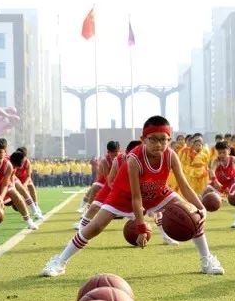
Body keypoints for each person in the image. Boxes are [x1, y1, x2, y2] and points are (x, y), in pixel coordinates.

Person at [41, 115, 224, 277]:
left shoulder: (171, 155)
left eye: (163, 140)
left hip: (157, 192)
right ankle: (59, 261)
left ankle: (207, 260)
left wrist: (199, 208)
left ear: (170, 139)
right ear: (143, 139)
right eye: (153, 139)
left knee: (191, 215)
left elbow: (184, 186)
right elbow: (137, 198)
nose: (159, 144)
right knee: (96, 226)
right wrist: (141, 226)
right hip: (124, 194)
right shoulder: (133, 159)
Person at [0, 137, 38, 230]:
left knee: (15, 194)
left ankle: (28, 220)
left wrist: (0, 198)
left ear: (5, 152)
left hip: (0, 185)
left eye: (0, 152)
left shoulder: (8, 165)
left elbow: (5, 184)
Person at [77, 141, 120, 213]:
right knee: (93, 188)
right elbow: (107, 178)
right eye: (112, 154)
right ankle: (87, 207)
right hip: (106, 180)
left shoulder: (122, 157)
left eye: (116, 153)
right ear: (108, 152)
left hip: (118, 179)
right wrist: (113, 187)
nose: (114, 156)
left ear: (118, 150)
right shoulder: (104, 161)